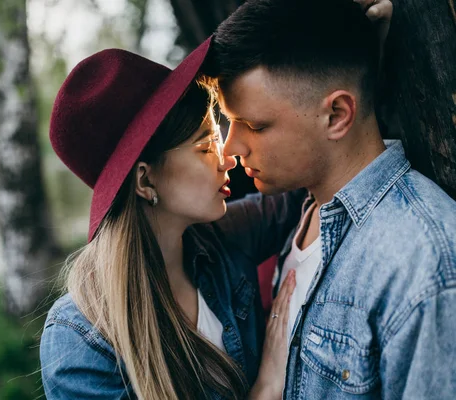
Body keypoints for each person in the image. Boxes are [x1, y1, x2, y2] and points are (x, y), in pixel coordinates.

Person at [208, 0, 456, 398]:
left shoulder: (425, 266)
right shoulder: (309, 210)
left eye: (254, 125)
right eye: (230, 122)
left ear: (338, 114)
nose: (231, 148)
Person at [39, 38, 302, 400]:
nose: (227, 159)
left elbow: (314, 173)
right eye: (206, 145)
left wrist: (363, 50)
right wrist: (268, 386)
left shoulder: (220, 241)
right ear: (146, 180)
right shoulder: (80, 339)